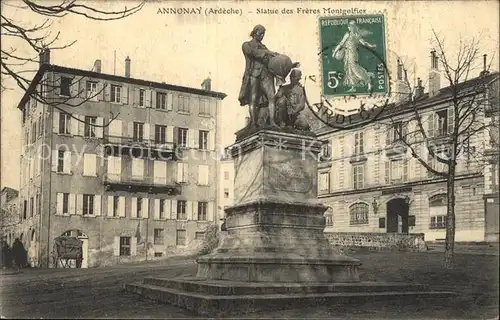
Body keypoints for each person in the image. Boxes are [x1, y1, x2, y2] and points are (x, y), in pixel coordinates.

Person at [332, 20, 377, 93]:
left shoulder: (357, 35)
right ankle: (353, 87)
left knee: (355, 69)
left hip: (353, 54)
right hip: (347, 54)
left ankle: (368, 80)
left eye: (353, 26)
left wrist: (371, 45)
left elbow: (364, 43)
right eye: (350, 26)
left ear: (355, 27)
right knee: (349, 70)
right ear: (349, 27)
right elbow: (341, 44)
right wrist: (335, 52)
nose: (351, 27)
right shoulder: (347, 34)